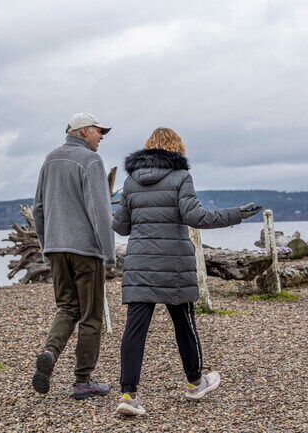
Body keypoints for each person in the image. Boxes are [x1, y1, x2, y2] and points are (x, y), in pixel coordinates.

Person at [111, 127, 262, 416]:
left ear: (147, 150)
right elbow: (196, 216)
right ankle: (195, 382)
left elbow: (121, 227)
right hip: (174, 266)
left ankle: (128, 396)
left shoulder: (131, 182)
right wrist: (237, 214)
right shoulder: (181, 176)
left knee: (134, 331)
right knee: (184, 325)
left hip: (140, 265)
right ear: (176, 149)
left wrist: (118, 210)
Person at [31, 112, 116, 400]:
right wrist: (109, 253)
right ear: (82, 132)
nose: (102, 136)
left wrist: (47, 246)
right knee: (91, 316)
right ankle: (82, 381)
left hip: (56, 247)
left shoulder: (50, 159)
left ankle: (50, 353)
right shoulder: (91, 161)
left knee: (67, 308)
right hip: (85, 250)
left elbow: (38, 208)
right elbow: (100, 211)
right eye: (97, 130)